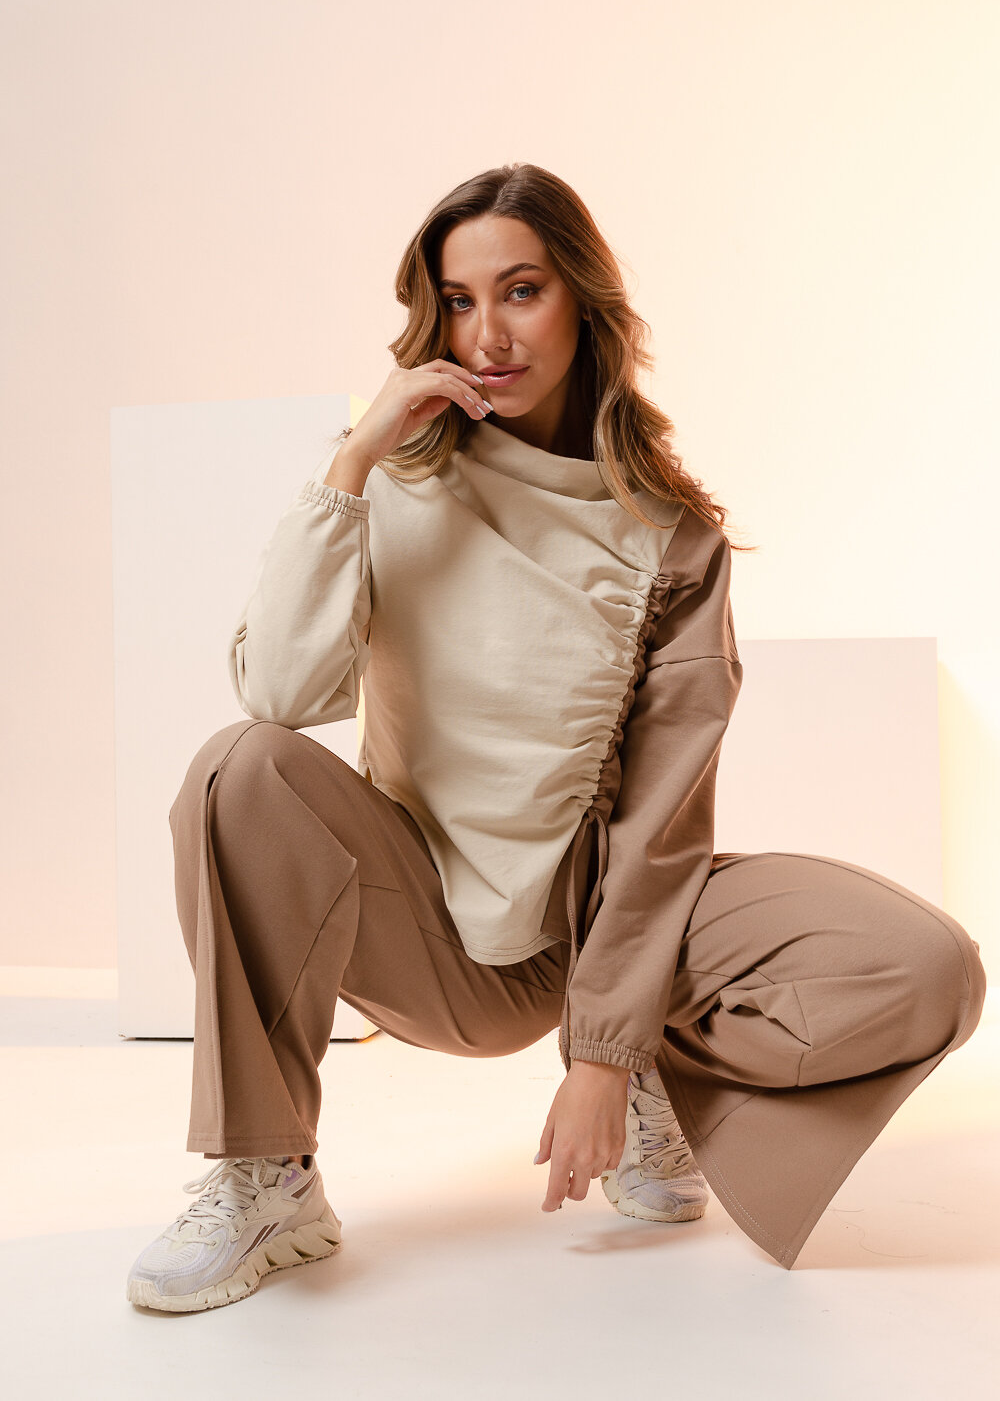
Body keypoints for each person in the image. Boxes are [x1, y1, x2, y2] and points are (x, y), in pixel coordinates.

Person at [127, 163, 987, 1313]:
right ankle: (267, 1177)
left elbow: (663, 816)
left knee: (922, 967)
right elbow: (279, 693)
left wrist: (603, 1052)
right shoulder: (391, 479)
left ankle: (663, 1077)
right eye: (459, 299)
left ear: (583, 299)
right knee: (240, 768)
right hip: (427, 924)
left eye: (521, 290)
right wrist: (352, 463)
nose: (488, 334)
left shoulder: (674, 538)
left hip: (599, 919)